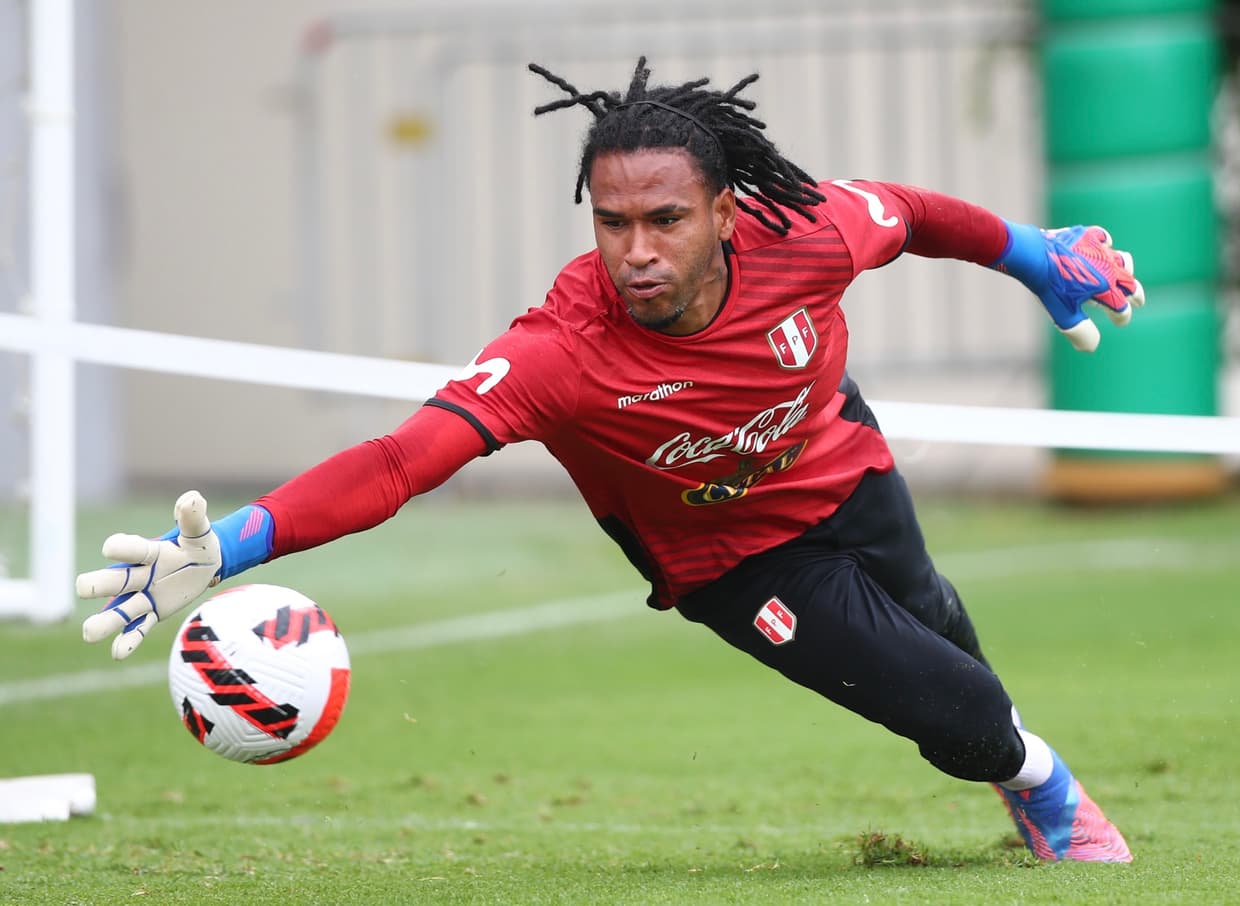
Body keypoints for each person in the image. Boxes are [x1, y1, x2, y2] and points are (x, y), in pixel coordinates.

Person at [77, 59, 1143, 863]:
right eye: (612, 223)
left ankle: (995, 754)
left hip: (844, 464)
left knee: (948, 637)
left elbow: (909, 214)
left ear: (726, 213)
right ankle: (1046, 794)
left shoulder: (805, 229)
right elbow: (403, 461)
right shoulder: (559, 353)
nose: (636, 252)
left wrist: (1032, 255)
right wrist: (236, 544)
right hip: (736, 561)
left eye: (666, 220)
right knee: (957, 707)